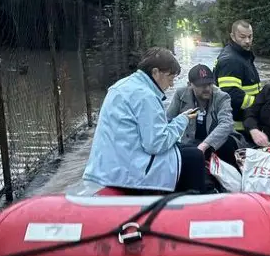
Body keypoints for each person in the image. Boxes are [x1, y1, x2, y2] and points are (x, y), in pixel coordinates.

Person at [82, 47, 206, 194]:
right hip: (128, 170)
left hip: (110, 163)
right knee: (195, 157)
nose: (171, 85)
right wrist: (182, 120)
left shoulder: (123, 85)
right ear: (155, 72)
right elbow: (156, 144)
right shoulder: (146, 96)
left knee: (190, 146)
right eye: (170, 78)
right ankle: (192, 206)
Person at [166, 63, 242, 170]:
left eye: (209, 84)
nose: (206, 88)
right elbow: (168, 119)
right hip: (193, 141)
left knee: (226, 144)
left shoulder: (222, 97)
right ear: (190, 84)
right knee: (183, 151)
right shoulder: (180, 94)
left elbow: (226, 124)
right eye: (201, 85)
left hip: (218, 142)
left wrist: (204, 145)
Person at [214, 20, 261, 142]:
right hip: (237, 128)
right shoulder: (231, 60)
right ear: (232, 36)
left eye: (250, 36)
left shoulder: (243, 56)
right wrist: (260, 105)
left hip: (246, 124)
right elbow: (231, 95)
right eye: (242, 37)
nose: (247, 41)